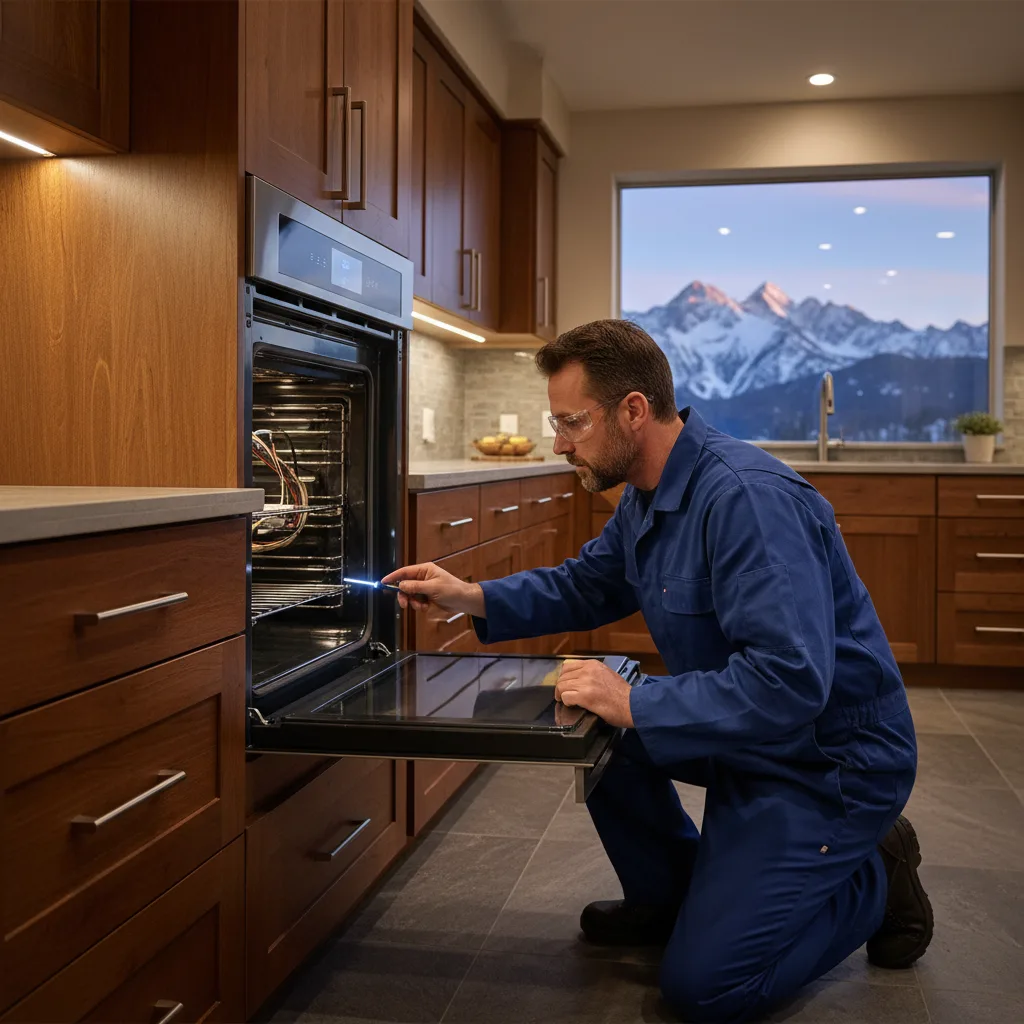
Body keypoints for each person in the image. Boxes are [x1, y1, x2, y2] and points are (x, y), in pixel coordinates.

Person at [384, 319, 933, 1024]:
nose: (559, 442)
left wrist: (637, 700)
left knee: (707, 989)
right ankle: (670, 899)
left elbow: (791, 681)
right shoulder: (647, 492)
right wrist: (471, 595)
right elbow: (587, 584)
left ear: (633, 411)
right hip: (752, 736)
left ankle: (875, 879)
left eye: (572, 422)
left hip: (827, 762)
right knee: (590, 724)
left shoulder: (745, 500)